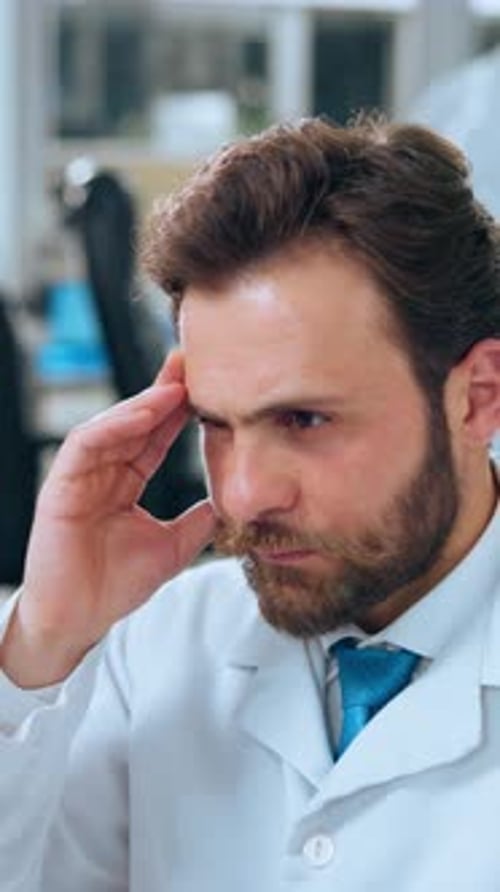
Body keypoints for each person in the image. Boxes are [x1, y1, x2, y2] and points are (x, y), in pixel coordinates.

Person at [1, 113, 500, 891]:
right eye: (215, 424)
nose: (242, 494)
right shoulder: (157, 644)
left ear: (477, 398)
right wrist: (41, 643)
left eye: (305, 420)